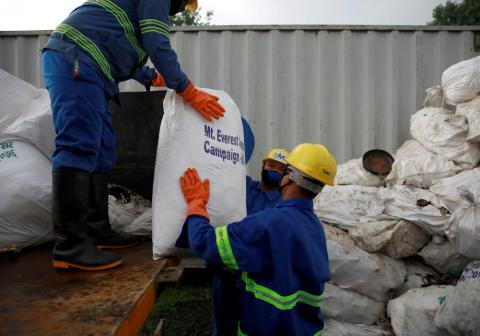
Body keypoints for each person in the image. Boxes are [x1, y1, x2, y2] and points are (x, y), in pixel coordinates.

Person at [42, 0, 225, 271]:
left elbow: (123, 41)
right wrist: (188, 89)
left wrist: (149, 76)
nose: (180, 8)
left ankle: (97, 230)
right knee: (78, 146)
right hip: (77, 58)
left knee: (103, 150)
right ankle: (70, 245)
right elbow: (156, 42)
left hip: (92, 66)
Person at [176, 143, 337, 335]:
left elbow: (205, 242)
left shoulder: (269, 223)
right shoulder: (314, 226)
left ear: (289, 176)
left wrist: (196, 204)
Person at [246, 148, 289, 215]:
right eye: (271, 165)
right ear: (263, 166)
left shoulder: (283, 204)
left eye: (281, 169)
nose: (276, 170)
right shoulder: (247, 185)